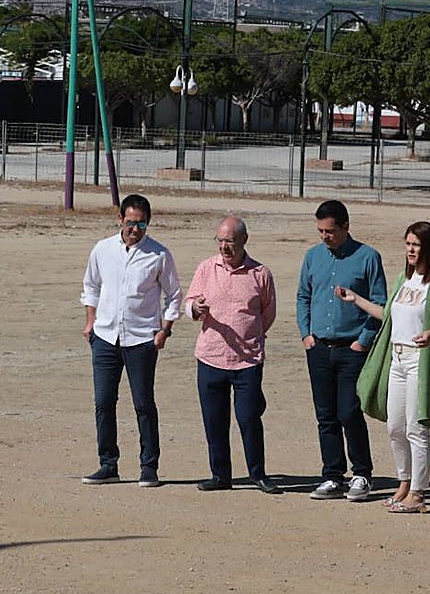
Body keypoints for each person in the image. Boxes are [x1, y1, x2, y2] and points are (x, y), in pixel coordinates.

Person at [335, 221, 430, 513]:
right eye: (408, 244)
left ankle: (418, 493)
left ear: (429, 247)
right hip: (397, 359)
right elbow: (389, 316)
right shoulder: (404, 279)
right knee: (395, 427)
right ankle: (404, 483)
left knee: (417, 429)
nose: (410, 250)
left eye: (416, 245)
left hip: (421, 361)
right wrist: (356, 299)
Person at [80, 194, 182, 488]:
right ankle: (108, 464)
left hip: (141, 339)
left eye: (141, 224)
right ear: (120, 219)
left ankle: (149, 466)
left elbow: (174, 295)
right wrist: (90, 321)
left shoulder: (159, 255)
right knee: (103, 402)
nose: (135, 229)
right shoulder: (103, 249)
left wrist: (164, 330)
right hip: (105, 336)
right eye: (130, 223)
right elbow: (91, 286)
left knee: (143, 403)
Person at [296, 199, 387, 501]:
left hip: (352, 349)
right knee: (326, 415)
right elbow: (303, 296)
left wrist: (363, 340)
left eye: (330, 231)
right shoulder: (313, 256)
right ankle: (332, 476)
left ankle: (362, 473)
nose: (325, 236)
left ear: (346, 226)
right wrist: (306, 334)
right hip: (319, 348)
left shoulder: (368, 257)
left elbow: (380, 303)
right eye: (321, 231)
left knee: (349, 411)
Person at [185, 215, 280, 494]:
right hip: (210, 357)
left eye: (230, 241)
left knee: (249, 418)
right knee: (214, 421)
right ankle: (220, 475)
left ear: (244, 240)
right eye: (221, 241)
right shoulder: (206, 268)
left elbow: (268, 313)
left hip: (247, 360)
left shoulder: (260, 274)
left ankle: (258, 474)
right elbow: (188, 303)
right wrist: (195, 308)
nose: (225, 247)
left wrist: (251, 334)